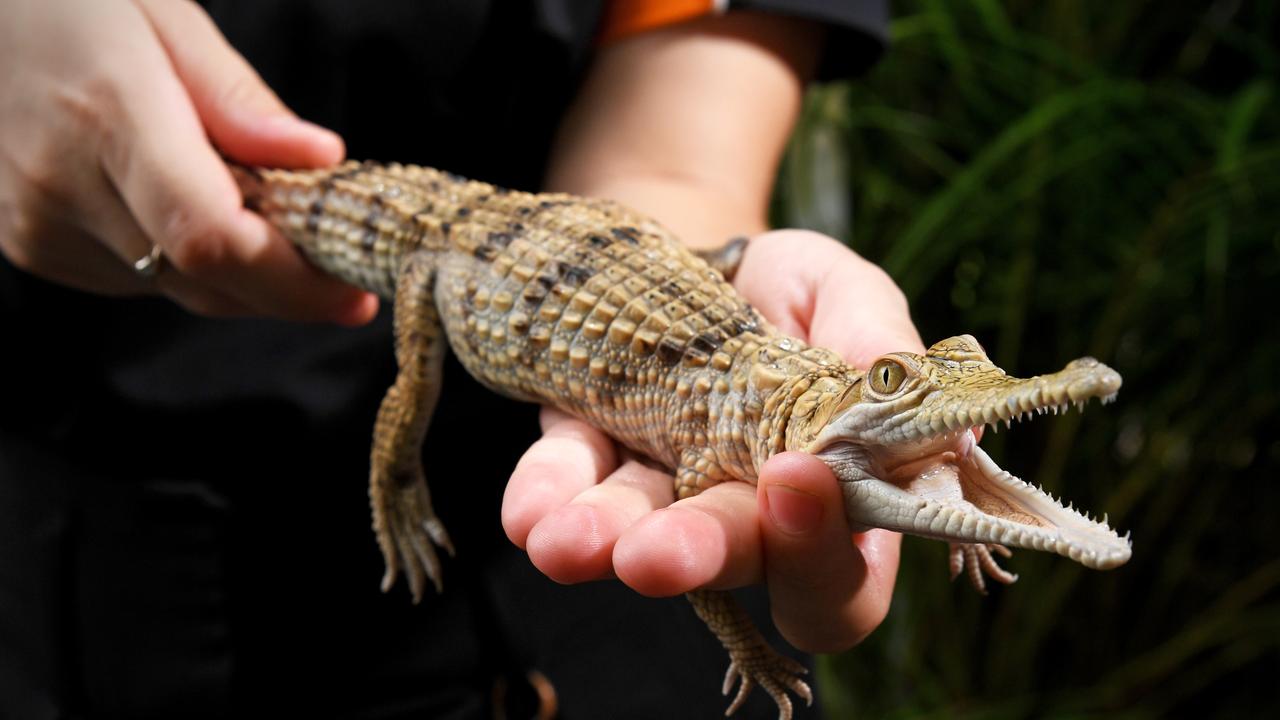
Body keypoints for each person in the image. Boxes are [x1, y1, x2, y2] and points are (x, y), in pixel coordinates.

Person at [0, 1, 923, 717]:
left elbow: (672, 163)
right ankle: (392, 484)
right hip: (82, 569)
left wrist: (710, 253)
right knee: (421, 373)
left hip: (566, 607)